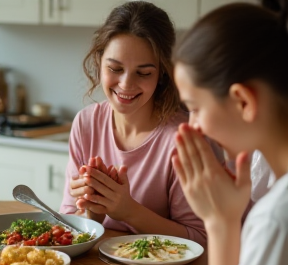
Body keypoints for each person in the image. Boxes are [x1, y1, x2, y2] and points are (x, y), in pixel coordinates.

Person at [59, 1, 224, 246]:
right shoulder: (86, 123)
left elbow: (203, 242)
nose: (126, 84)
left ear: (162, 74)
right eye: (115, 68)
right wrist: (93, 212)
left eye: (144, 73)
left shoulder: (186, 139)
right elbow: (67, 223)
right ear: (99, 62)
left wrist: (128, 211)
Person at [173, 1, 288, 265]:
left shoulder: (276, 218)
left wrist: (219, 223)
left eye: (195, 107)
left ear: (243, 101)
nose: (192, 126)